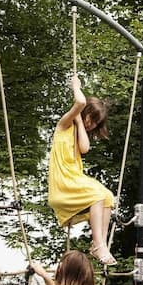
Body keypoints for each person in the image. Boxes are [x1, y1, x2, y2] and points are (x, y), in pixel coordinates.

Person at [47, 75, 117, 265]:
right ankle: (99, 244)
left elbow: (85, 148)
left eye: (95, 123)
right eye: (90, 118)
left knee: (108, 197)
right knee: (97, 195)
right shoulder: (64, 125)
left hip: (73, 180)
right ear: (84, 112)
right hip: (63, 183)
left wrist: (80, 123)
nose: (90, 124)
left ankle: (99, 244)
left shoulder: (78, 131)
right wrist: (76, 86)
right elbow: (80, 101)